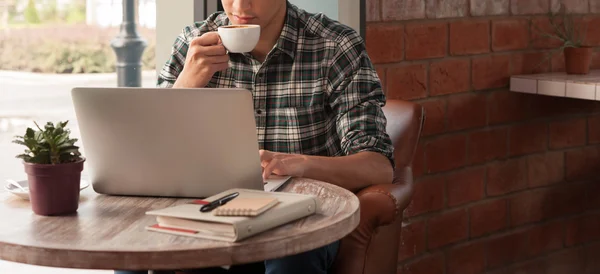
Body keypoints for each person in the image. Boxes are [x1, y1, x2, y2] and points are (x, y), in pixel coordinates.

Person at [117, 0, 394, 273]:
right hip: (211, 212)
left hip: (302, 216)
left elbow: (377, 166)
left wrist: (299, 164)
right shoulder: (194, 43)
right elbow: (152, 153)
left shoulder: (335, 46)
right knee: (129, 251)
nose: (239, 5)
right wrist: (186, 83)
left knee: (291, 256)